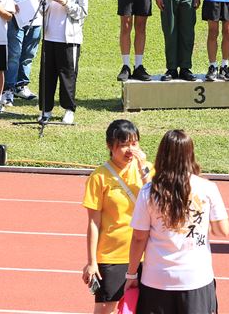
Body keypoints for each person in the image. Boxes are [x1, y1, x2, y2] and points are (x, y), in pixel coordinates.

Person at [124, 130, 229, 314]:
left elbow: (139, 238)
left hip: (157, 279)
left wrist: (131, 274)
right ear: (190, 154)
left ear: (162, 155)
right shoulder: (207, 188)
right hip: (196, 278)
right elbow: (222, 230)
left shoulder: (149, 191)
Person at [82, 119, 151, 314]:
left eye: (134, 143)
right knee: (106, 309)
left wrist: (144, 171)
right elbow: (93, 223)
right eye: (123, 145)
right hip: (113, 256)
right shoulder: (99, 177)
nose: (130, 150)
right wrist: (92, 262)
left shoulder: (148, 169)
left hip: (148, 254)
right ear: (109, 146)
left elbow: (159, 205)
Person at [38, 0, 88, 124]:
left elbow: (82, 12)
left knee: (67, 75)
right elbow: (41, 7)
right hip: (49, 36)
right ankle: (46, 109)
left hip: (69, 39)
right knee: (47, 75)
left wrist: (67, 4)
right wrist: (45, 3)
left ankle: (68, 109)